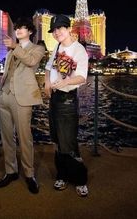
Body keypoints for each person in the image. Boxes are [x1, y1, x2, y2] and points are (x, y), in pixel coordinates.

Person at [0, 17, 45, 194]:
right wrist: (0, 93)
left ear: (30, 31)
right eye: (16, 29)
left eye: (22, 28)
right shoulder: (10, 51)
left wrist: (15, 47)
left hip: (22, 98)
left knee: (25, 138)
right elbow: (7, 72)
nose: (18, 31)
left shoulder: (38, 48)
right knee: (7, 137)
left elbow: (31, 62)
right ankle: (11, 171)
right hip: (4, 97)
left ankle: (29, 174)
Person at [44, 14, 89, 197]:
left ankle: (80, 180)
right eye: (54, 30)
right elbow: (48, 67)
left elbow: (82, 77)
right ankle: (62, 175)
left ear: (69, 28)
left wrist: (64, 83)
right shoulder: (56, 47)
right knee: (56, 139)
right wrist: (47, 83)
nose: (56, 33)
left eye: (60, 28)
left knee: (68, 142)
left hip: (68, 99)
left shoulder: (78, 49)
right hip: (55, 99)